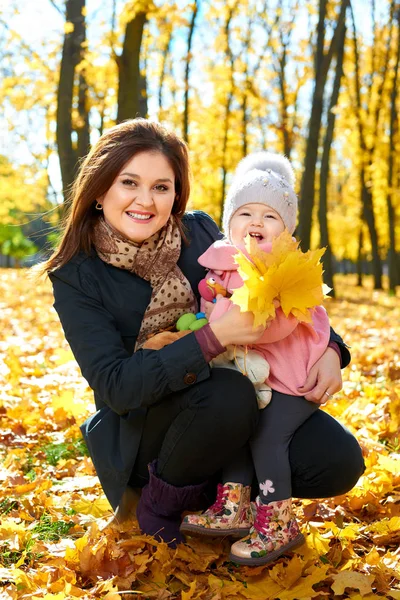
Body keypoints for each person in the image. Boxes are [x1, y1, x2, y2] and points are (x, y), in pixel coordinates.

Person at [44, 118, 364, 551]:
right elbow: (117, 387)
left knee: (338, 459)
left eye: (161, 186)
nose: (145, 200)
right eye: (129, 183)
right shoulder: (77, 275)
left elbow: (276, 284)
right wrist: (215, 337)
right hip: (146, 430)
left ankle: (230, 499)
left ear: (176, 194)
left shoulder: (199, 234)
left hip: (234, 408)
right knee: (229, 391)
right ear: (100, 190)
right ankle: (159, 503)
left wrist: (331, 348)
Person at [180, 152, 348, 566]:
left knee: (268, 434)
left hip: (294, 372)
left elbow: (275, 328)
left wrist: (220, 318)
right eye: (245, 213)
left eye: (270, 216)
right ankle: (232, 505)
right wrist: (209, 301)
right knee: (240, 423)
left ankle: (277, 521)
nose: (256, 222)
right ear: (229, 222)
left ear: (287, 229)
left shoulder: (284, 269)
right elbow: (211, 298)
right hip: (252, 371)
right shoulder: (227, 261)